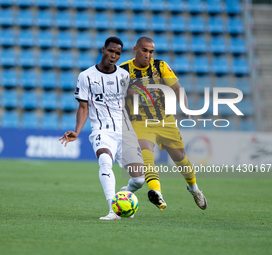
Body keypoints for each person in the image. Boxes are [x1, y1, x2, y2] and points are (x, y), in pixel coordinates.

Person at [60, 37, 146, 220]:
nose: (113, 56)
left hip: (125, 130)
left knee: (139, 180)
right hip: (102, 129)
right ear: (103, 50)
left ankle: (125, 192)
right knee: (105, 161)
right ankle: (112, 209)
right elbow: (83, 107)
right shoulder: (86, 76)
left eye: (117, 53)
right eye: (111, 51)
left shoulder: (124, 76)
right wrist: (77, 130)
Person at [119, 37, 207, 210]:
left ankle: (194, 189)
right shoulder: (123, 70)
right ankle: (156, 192)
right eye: (144, 50)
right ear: (136, 49)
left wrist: (185, 107)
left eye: (151, 51)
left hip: (164, 119)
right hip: (140, 121)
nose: (148, 55)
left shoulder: (160, 66)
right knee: (146, 154)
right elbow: (117, 96)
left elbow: (176, 88)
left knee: (180, 158)